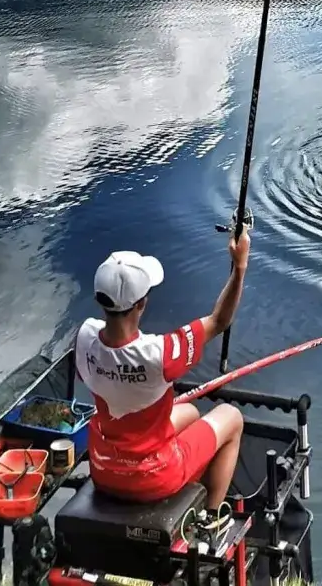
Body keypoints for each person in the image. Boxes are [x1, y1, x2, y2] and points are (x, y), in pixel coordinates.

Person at [73, 227, 250, 534]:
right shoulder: (161, 354)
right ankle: (211, 522)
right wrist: (240, 266)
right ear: (141, 304)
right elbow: (219, 320)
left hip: (103, 468)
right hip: (154, 476)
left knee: (191, 412)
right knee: (230, 417)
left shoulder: (84, 337)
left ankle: (192, 492)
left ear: (101, 300)